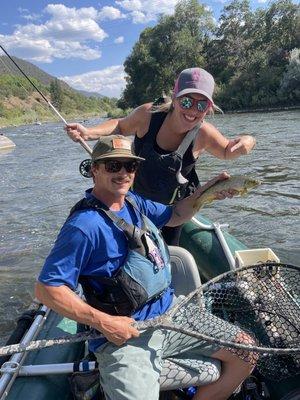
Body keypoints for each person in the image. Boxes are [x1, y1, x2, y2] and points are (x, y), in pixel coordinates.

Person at [35, 135, 257, 400]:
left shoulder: (133, 202)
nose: (123, 173)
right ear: (94, 169)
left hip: (171, 313)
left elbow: (175, 215)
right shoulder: (83, 227)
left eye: (130, 166)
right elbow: (47, 289)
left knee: (246, 352)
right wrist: (106, 323)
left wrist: (206, 193)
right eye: (112, 166)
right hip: (126, 335)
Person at [65, 67, 256, 246]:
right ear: (175, 97)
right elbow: (121, 126)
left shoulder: (204, 133)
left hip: (175, 211)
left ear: (209, 107)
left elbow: (227, 151)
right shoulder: (148, 115)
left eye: (202, 104)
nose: (192, 111)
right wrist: (89, 132)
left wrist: (249, 140)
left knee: (166, 256)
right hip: (136, 203)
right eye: (187, 101)